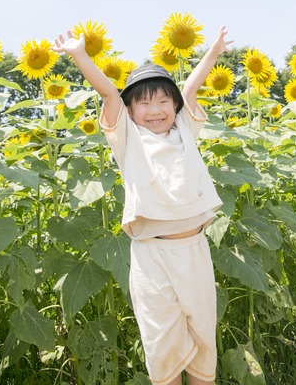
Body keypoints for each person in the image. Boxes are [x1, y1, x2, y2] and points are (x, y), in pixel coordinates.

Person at [50, 25, 234, 385]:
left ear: (175, 107)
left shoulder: (185, 131)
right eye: (144, 103)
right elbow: (108, 93)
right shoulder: (128, 140)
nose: (155, 110)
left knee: (203, 341)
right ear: (130, 111)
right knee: (162, 347)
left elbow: (191, 87)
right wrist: (79, 54)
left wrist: (213, 52)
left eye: (163, 101)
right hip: (152, 256)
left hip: (194, 249)